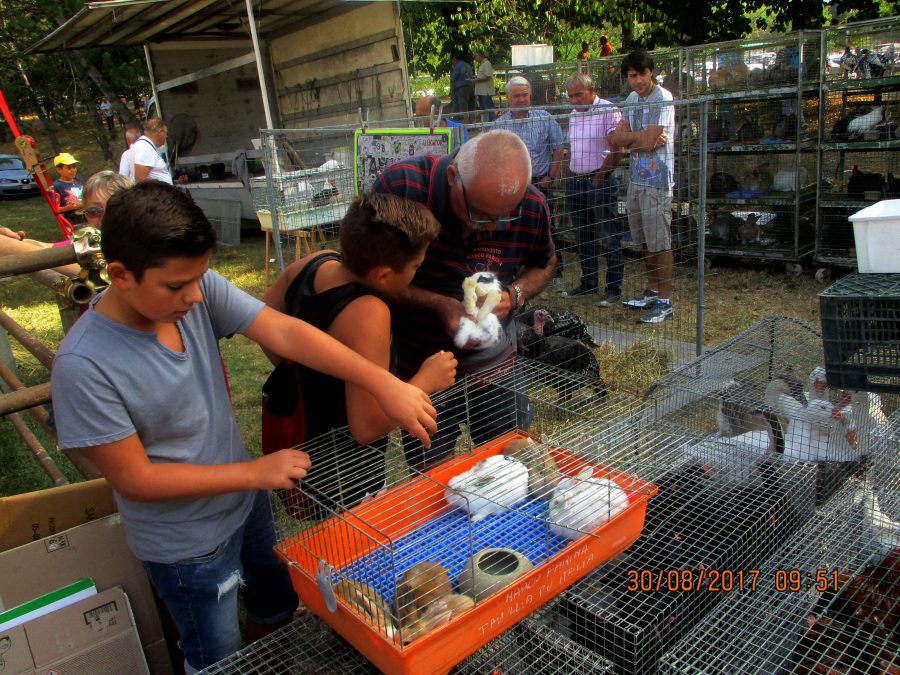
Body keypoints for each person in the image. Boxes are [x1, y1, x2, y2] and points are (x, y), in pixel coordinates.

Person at [50, 181, 439, 672]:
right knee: (216, 654)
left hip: (244, 503)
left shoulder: (194, 288)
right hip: (187, 543)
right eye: (176, 286)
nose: (195, 296)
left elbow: (284, 330)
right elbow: (136, 479)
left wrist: (381, 382)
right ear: (120, 275)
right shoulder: (84, 367)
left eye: (200, 278)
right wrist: (254, 473)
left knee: (275, 605)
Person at [261, 193, 457, 517]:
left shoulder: (314, 263)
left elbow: (263, 321)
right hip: (346, 476)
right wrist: (424, 382)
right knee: (350, 542)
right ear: (383, 275)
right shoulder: (368, 313)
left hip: (303, 444)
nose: (417, 272)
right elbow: (365, 429)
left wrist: (299, 373)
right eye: (416, 266)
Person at [372, 129, 556, 469]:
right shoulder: (403, 189)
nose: (492, 227)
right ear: (453, 177)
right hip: (422, 361)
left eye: (506, 215)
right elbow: (372, 275)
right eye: (480, 214)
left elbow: (544, 263)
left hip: (496, 362)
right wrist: (439, 304)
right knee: (434, 473)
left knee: (513, 466)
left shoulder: (531, 205)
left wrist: (514, 294)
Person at [609, 50, 675, 324]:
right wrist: (639, 138)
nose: (637, 81)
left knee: (660, 241)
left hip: (657, 181)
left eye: (641, 74)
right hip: (635, 180)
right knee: (644, 240)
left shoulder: (663, 97)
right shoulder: (631, 99)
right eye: (632, 76)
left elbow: (647, 142)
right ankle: (652, 290)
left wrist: (632, 138)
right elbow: (616, 139)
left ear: (651, 72)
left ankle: (665, 301)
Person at [561, 72, 624, 308]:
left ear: (591, 91)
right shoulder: (573, 114)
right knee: (582, 236)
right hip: (576, 181)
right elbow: (572, 146)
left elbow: (617, 148)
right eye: (570, 96)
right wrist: (569, 175)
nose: (574, 100)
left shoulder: (608, 110)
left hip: (599, 180)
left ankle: (613, 288)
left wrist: (600, 176)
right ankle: (588, 283)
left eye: (578, 95)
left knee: (608, 236)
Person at [493, 76, 565, 281]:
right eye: (516, 96)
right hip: (513, 186)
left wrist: (551, 176)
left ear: (530, 95)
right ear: (508, 98)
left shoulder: (544, 118)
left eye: (525, 95)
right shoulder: (499, 125)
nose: (521, 100)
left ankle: (554, 270)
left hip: (540, 181)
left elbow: (558, 148)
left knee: (547, 227)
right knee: (514, 227)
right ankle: (515, 270)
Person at [131, 117, 173, 184]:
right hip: (156, 191)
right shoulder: (144, 147)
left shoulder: (146, 145)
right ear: (160, 132)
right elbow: (140, 179)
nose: (166, 136)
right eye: (166, 133)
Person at [51, 152, 85, 225]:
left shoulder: (80, 180)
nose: (73, 170)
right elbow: (55, 209)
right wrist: (69, 207)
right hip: (72, 221)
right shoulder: (56, 186)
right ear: (59, 170)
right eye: (69, 168)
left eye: (74, 167)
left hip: (87, 217)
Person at [472, 50, 496, 122]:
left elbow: (488, 76)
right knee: (483, 109)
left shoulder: (487, 63)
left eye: (476, 56)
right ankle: (484, 123)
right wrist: (476, 78)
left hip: (486, 92)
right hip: (481, 91)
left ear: (480, 55)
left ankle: (492, 123)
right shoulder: (482, 64)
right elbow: (483, 75)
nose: (475, 58)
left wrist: (477, 80)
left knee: (489, 109)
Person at [450, 54, 475, 119]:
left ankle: (465, 122)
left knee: (463, 106)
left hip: (461, 87)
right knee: (471, 106)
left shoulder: (458, 66)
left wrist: (454, 68)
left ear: (455, 59)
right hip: (470, 86)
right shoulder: (468, 65)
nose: (452, 62)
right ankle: (472, 122)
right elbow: (471, 76)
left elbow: (453, 77)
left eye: (453, 60)